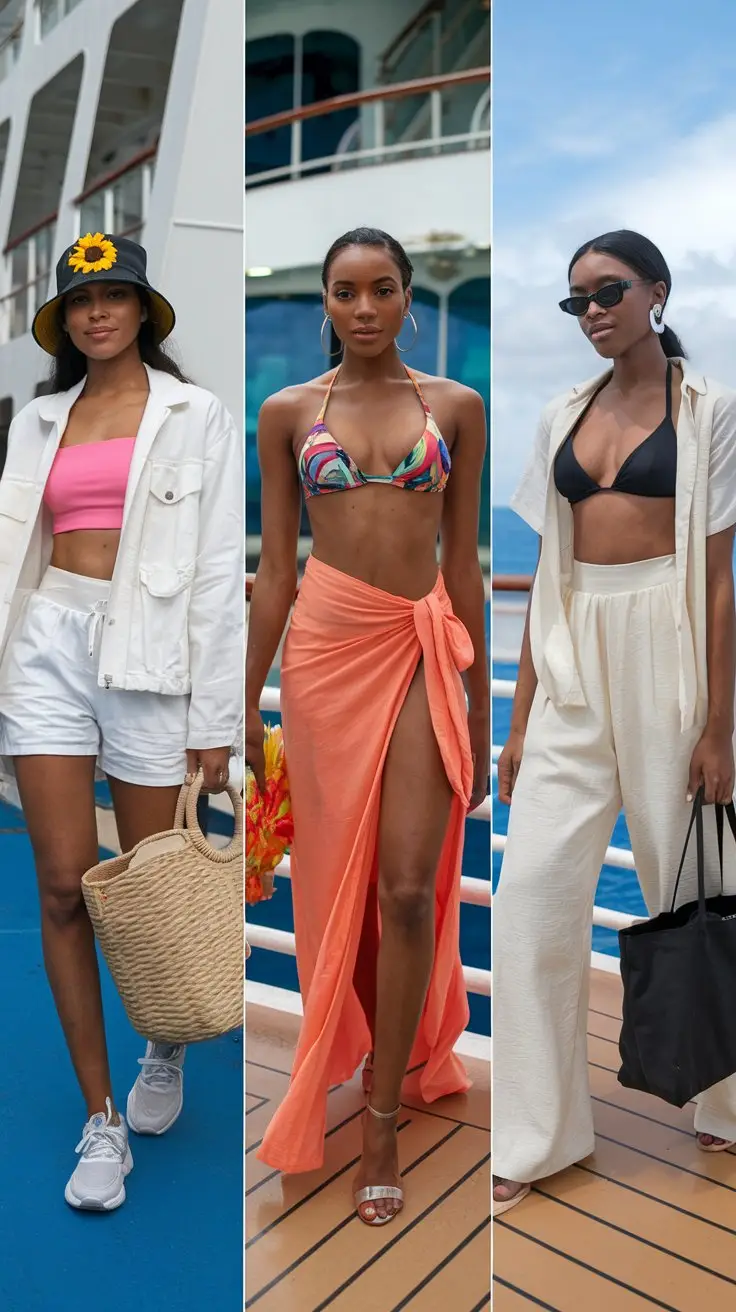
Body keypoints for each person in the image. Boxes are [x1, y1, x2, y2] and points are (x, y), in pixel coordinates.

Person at [245, 227, 489, 1226]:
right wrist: (234, 704)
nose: (363, 307)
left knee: (401, 888)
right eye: (344, 291)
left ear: (407, 299)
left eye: (381, 288)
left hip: (420, 645)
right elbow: (275, 575)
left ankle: (381, 1114)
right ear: (326, 305)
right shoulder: (288, 412)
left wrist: (477, 703)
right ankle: (355, 1063)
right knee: (333, 888)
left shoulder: (457, 407)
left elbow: (464, 559)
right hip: (324, 655)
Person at [493, 229, 736, 1217]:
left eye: (608, 291)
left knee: (704, 885)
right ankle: (538, 1134)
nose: (592, 310)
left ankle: (723, 1098)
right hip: (570, 658)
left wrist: (719, 724)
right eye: (576, 300)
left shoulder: (708, 412)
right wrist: (515, 722)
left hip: (668, 649)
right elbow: (547, 579)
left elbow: (718, 583)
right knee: (531, 898)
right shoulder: (557, 414)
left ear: (655, 294)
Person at [0, 233, 243, 1210]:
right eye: (82, 301)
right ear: (65, 321)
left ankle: (162, 1042)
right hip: (44, 645)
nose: (99, 312)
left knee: (148, 888)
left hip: (148, 654)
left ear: (143, 309)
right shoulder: (37, 421)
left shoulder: (197, 414)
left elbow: (223, 570)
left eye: (116, 295)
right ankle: (101, 1118)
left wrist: (215, 718)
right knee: (62, 884)